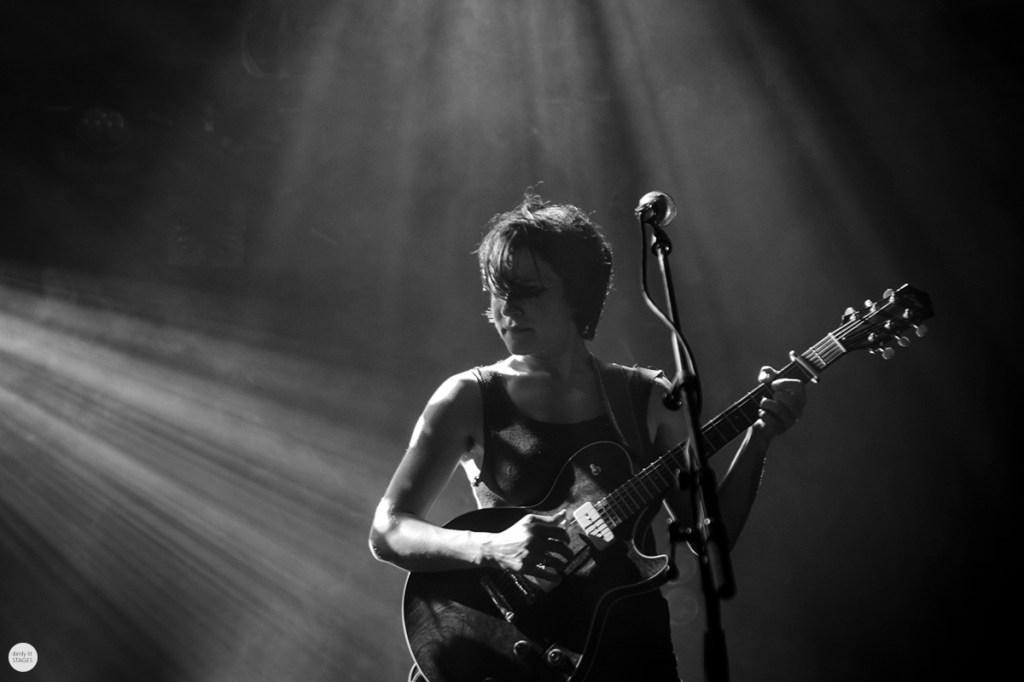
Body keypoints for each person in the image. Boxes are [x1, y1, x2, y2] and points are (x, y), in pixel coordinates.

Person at [369, 192, 807, 681]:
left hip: (630, 654)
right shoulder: (468, 397)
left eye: (528, 290)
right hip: (520, 656)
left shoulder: (645, 396)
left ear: (577, 295)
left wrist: (761, 437)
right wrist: (491, 548)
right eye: (497, 289)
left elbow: (709, 537)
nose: (506, 307)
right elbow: (388, 530)